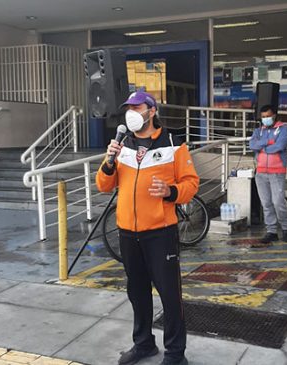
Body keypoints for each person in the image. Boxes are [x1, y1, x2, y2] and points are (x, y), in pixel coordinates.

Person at [96, 90, 199, 365]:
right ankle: (143, 344)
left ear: (151, 111)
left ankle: (176, 353)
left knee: (169, 294)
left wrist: (170, 191)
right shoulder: (123, 145)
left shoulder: (173, 144)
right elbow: (104, 186)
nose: (131, 112)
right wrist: (108, 161)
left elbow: (191, 184)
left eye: (137, 107)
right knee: (137, 292)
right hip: (128, 232)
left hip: (160, 233)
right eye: (128, 108)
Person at [249, 105, 287, 244]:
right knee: (266, 203)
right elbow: (252, 145)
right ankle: (271, 231)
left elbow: (279, 146)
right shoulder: (258, 131)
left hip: (277, 172)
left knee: (278, 202)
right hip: (260, 172)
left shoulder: (284, 129)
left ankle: (286, 229)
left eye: (268, 116)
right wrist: (268, 142)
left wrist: (262, 147)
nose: (265, 119)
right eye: (263, 117)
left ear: (274, 115)